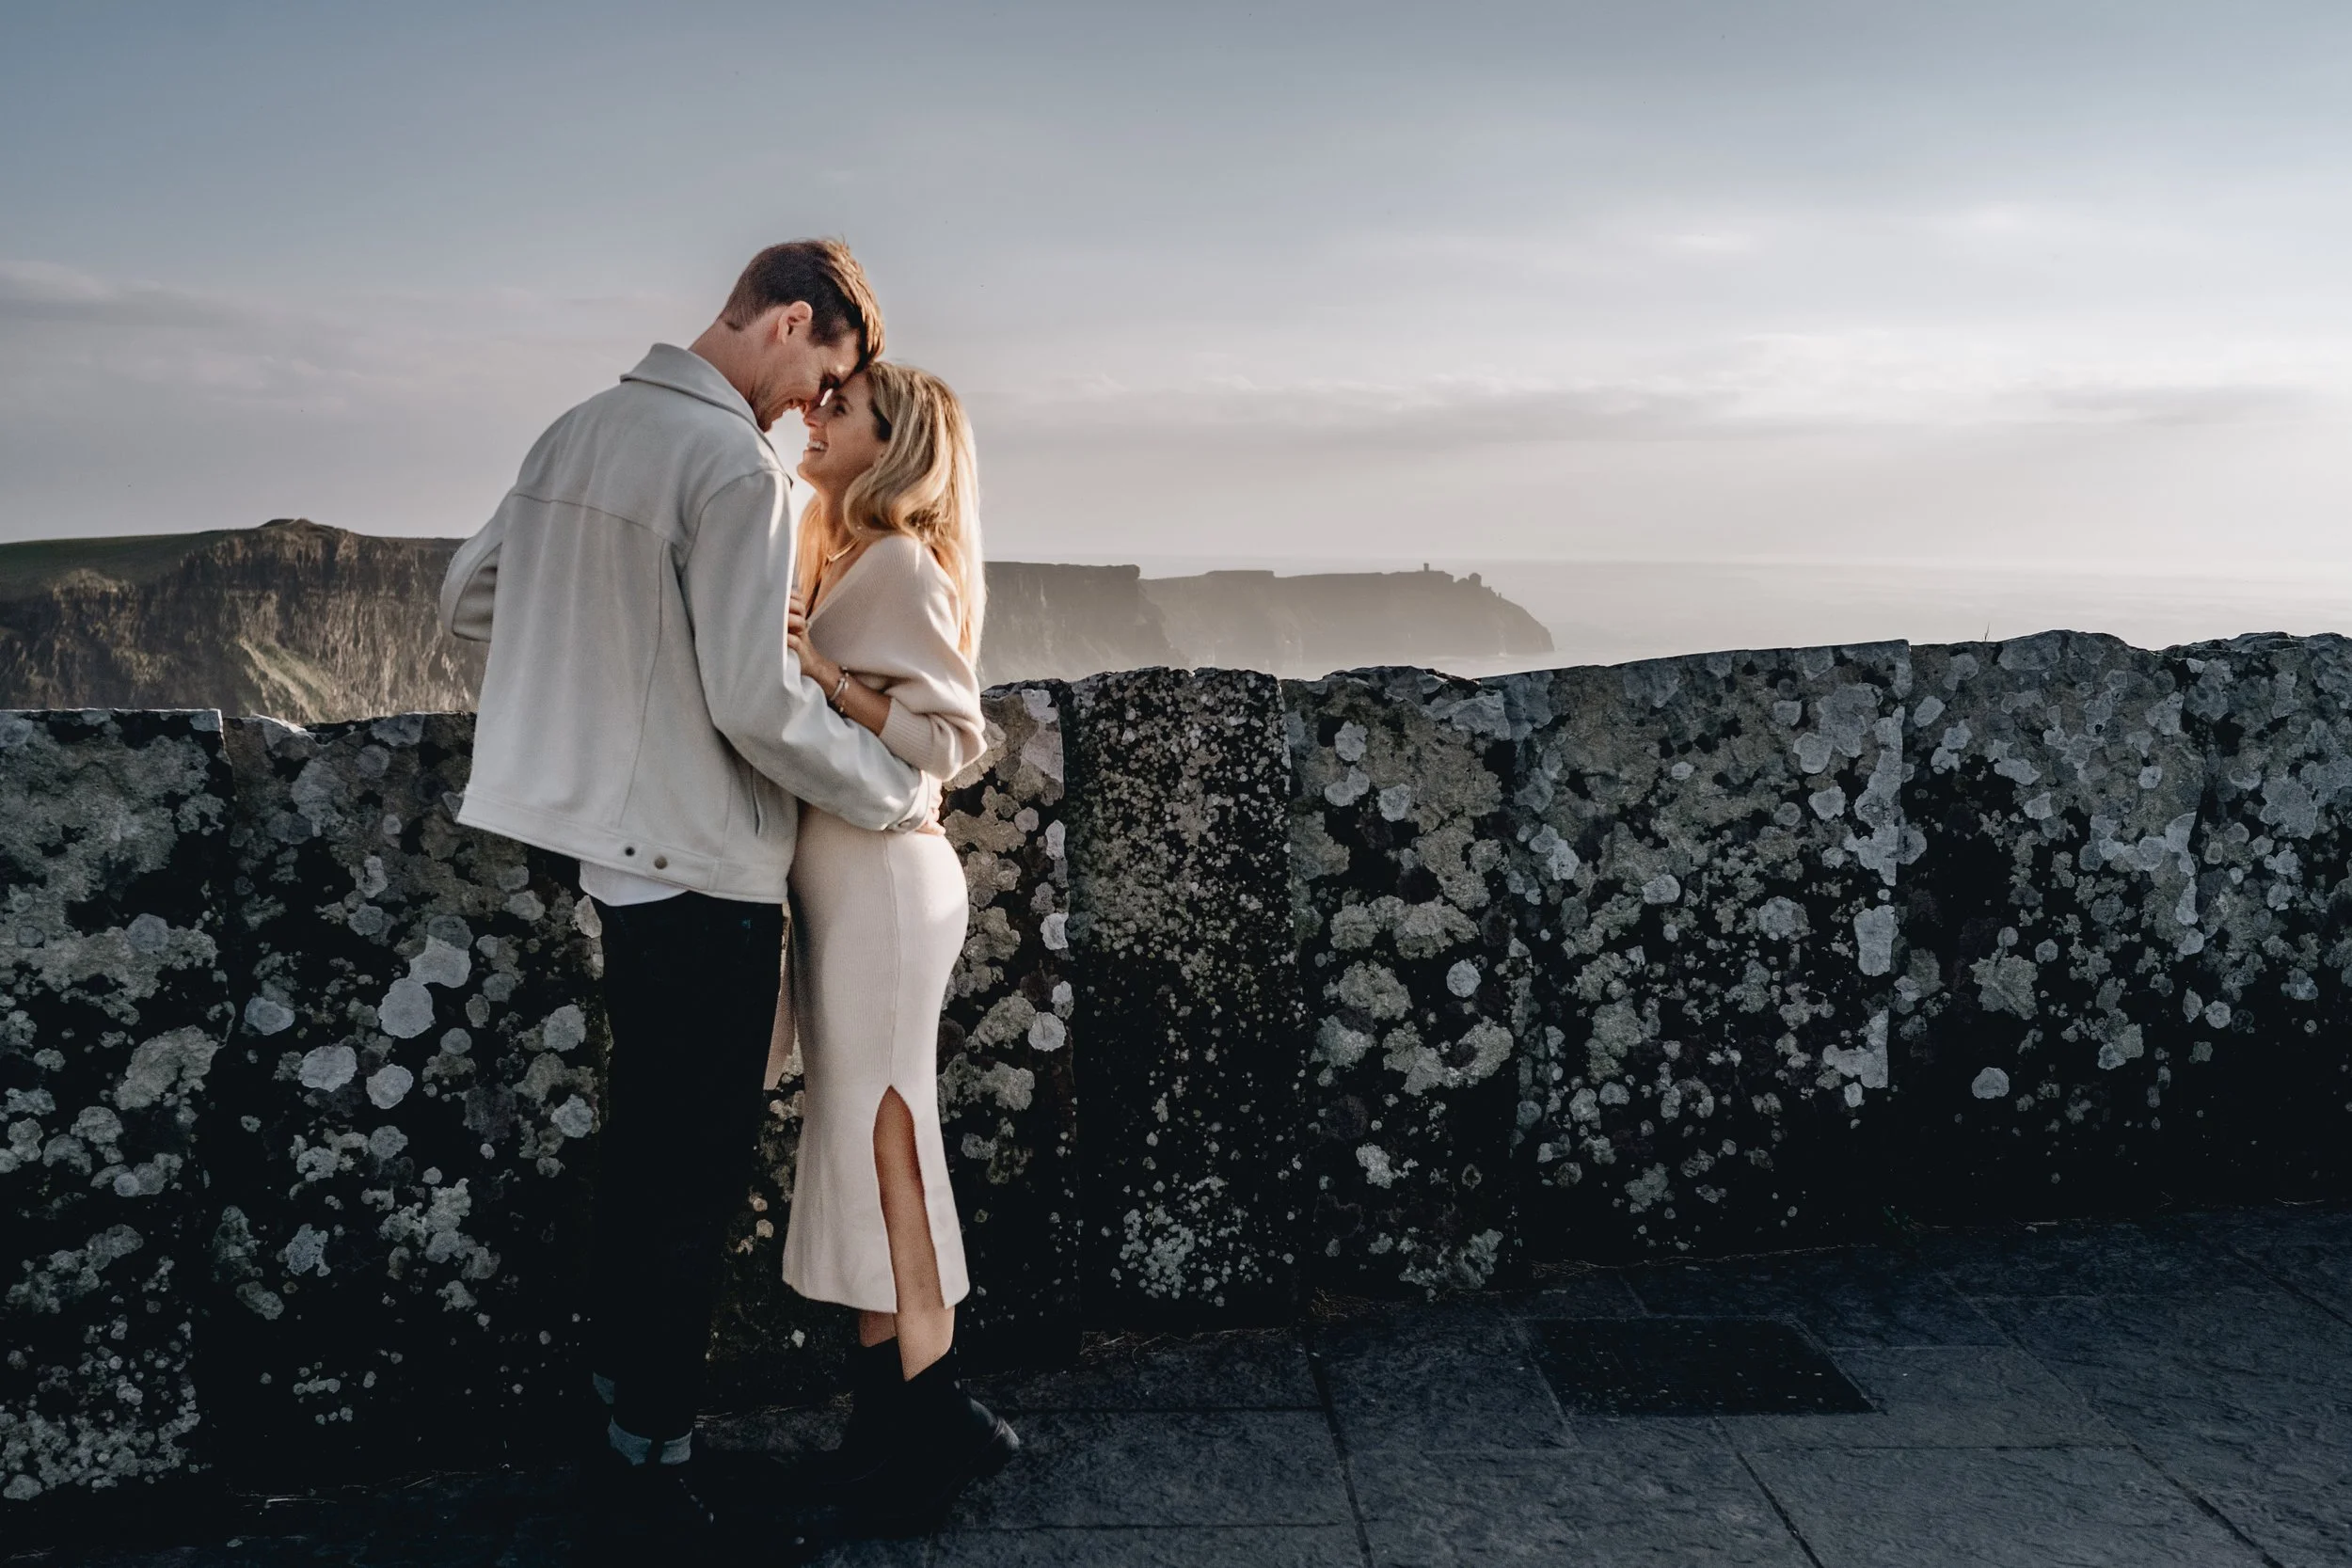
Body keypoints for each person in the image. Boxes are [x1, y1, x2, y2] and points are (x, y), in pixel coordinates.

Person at [438, 241, 933, 1549]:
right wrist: (889, 789)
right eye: (821, 371)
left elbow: (470, 600)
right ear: (787, 320)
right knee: (688, 1180)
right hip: (706, 864)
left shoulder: (577, 430)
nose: (810, 406)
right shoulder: (732, 465)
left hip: (616, 859)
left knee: (645, 1157)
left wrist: (611, 678)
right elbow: (756, 700)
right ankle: (648, 1480)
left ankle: (618, 1431)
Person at [779, 361, 1019, 1533]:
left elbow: (950, 735)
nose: (814, 411)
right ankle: (889, 1422)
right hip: (848, 883)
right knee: (861, 1150)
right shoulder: (839, 550)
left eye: (842, 405)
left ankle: (934, 1423)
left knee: (890, 1145)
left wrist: (826, 676)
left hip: (881, 881)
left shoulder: (897, 561)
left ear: (894, 445)